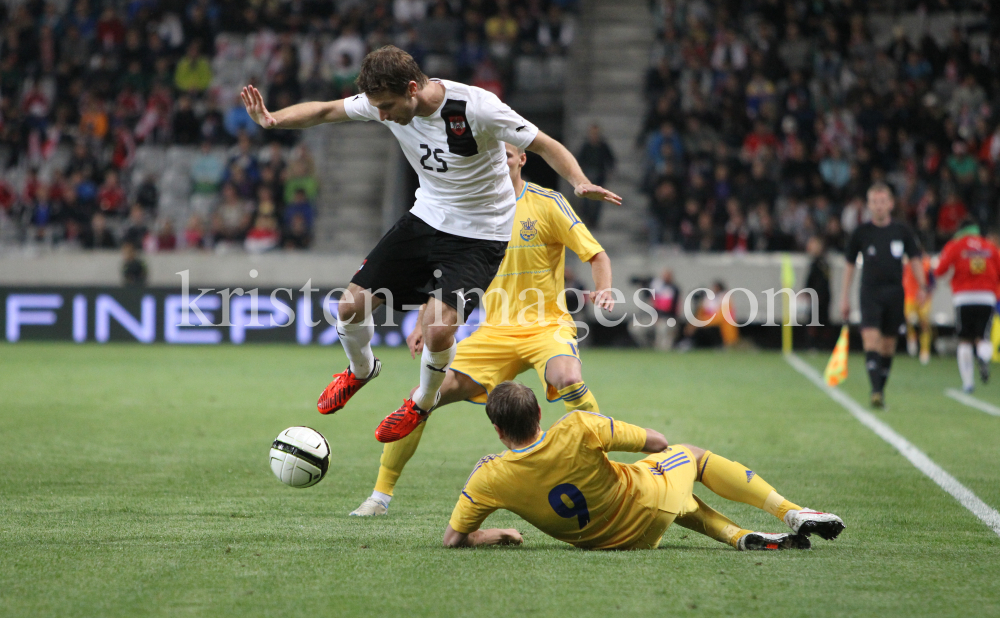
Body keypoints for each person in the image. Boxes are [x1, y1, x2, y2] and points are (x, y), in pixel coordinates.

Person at [241, 46, 620, 441]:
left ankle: (421, 402)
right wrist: (271, 120)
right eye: (378, 108)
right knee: (349, 306)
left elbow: (544, 144)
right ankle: (360, 369)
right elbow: (323, 111)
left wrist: (578, 181)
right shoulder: (382, 102)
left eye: (388, 106)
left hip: (481, 231)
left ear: (411, 88)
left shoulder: (478, 108)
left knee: (439, 332)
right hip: (428, 216)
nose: (382, 115)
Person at [350, 142, 614, 516]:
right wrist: (427, 317)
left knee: (567, 378)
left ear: (523, 158)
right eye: (493, 156)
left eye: (506, 154)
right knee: (422, 397)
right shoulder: (473, 208)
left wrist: (603, 290)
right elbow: (446, 270)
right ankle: (379, 497)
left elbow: (596, 255)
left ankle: (603, 472)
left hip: (545, 326)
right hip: (493, 333)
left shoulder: (547, 202)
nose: (499, 161)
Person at [442, 382, 845, 551]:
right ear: (537, 416)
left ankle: (738, 535)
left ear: (498, 430)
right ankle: (790, 510)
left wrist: (498, 533)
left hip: (616, 541)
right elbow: (657, 442)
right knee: (691, 455)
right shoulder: (579, 426)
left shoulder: (489, 476)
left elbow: (453, 540)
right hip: (645, 499)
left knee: (675, 498)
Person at [840, 183, 926, 409]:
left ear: (890, 204)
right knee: (871, 339)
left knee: (888, 345)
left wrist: (923, 287)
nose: (878, 206)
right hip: (870, 293)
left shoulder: (902, 231)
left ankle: (880, 389)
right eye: (874, 202)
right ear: (869, 205)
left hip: (895, 293)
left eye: (882, 201)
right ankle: (876, 391)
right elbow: (849, 265)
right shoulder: (861, 232)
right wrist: (844, 296)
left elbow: (915, 259)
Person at [933, 220, 1000, 393]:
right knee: (983, 337)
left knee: (964, 340)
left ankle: (968, 383)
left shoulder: (956, 245)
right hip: (987, 297)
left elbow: (940, 270)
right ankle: (983, 357)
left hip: (964, 297)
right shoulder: (990, 247)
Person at [903, 254, 933, 365]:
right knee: (908, 320)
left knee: (924, 324)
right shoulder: (906, 263)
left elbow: (932, 281)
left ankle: (925, 351)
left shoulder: (926, 263)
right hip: (909, 296)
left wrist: (927, 293)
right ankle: (911, 338)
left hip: (923, 298)